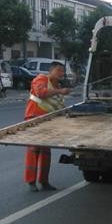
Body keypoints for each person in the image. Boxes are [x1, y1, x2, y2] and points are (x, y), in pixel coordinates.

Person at [23, 62, 70, 192]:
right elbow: (40, 93)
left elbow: (59, 105)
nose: (62, 73)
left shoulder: (56, 86)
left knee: (45, 152)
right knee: (34, 149)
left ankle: (44, 181)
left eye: (63, 71)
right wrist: (60, 91)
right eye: (59, 70)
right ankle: (31, 181)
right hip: (34, 118)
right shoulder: (41, 79)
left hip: (48, 121)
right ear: (51, 70)